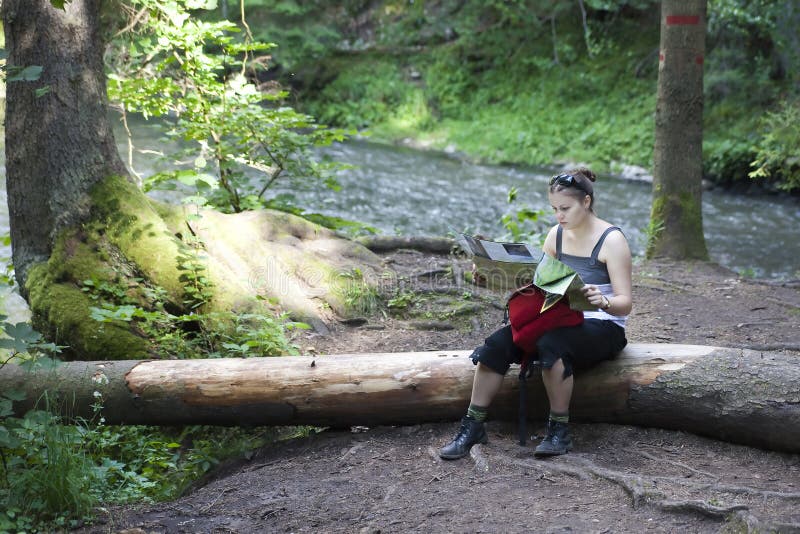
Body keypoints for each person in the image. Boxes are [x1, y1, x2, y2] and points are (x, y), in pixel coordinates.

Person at [439, 168, 632, 459]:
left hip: (602, 324)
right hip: (555, 316)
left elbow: (625, 303)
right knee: (496, 346)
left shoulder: (612, 240)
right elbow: (537, 285)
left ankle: (559, 431)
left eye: (565, 208)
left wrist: (603, 301)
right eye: (554, 209)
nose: (559, 216)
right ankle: (474, 425)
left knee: (552, 345)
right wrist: (494, 278)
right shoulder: (555, 236)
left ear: (587, 203)